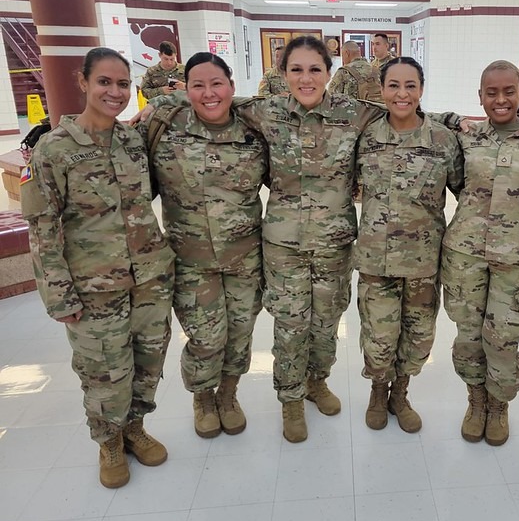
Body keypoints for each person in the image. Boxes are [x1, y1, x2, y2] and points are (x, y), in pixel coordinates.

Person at [138, 36, 466, 443]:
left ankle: (316, 382)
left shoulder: (354, 113)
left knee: (325, 326)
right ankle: (290, 400)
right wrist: (164, 100)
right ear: (284, 73)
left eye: (315, 70)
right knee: (291, 325)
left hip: (334, 244)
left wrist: (455, 120)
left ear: (329, 74)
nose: (306, 78)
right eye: (296, 70)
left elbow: (405, 109)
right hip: (284, 246)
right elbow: (216, 98)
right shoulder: (266, 110)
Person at [20, 47, 175, 489]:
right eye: (104, 82)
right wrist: (58, 294)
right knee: (104, 370)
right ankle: (108, 442)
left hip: (148, 278)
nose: (115, 92)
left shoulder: (132, 141)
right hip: (93, 286)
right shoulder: (54, 149)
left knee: (148, 361)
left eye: (123, 84)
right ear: (83, 82)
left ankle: (134, 428)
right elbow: (42, 228)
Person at [139, 52, 268, 439]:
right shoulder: (165, 125)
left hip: (245, 257)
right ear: (186, 88)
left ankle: (228, 395)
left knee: (240, 333)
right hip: (190, 258)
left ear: (232, 86)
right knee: (206, 337)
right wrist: (168, 99)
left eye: (217, 84)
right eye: (198, 85)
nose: (209, 93)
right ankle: (203, 398)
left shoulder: (254, 127)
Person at [441, 60, 519, 446]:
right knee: (468, 335)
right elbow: (458, 181)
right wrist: (454, 118)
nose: (501, 99)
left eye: (509, 91)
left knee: (504, 338)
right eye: (491, 93)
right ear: (480, 96)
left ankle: (498, 405)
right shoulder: (469, 137)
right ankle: (476, 402)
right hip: (465, 254)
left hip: (517, 259)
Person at [356, 57, 463, 433]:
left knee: (418, 336)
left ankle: (400, 393)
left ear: (421, 90)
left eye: (410, 86)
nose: (402, 94)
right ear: (382, 89)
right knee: (379, 335)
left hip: (423, 262)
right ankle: (378, 390)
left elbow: (466, 192)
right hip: (376, 260)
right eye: (394, 86)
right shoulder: (366, 136)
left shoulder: (442, 140)